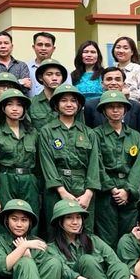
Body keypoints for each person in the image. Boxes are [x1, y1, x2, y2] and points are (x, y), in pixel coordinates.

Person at [38, 83, 101, 235]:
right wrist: (61, 191)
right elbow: (47, 163)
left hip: (83, 187)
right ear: (56, 105)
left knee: (84, 230)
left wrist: (88, 194)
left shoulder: (89, 133)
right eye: (64, 100)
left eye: (73, 101)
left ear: (78, 105)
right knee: (56, 230)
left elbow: (94, 164)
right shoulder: (47, 131)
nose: (69, 104)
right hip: (56, 187)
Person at [92, 91, 140, 246]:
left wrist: (127, 190)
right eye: (110, 107)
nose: (115, 110)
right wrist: (112, 189)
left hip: (129, 192)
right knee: (106, 236)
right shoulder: (96, 134)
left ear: (125, 110)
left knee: (128, 236)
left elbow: (138, 166)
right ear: (104, 110)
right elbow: (97, 163)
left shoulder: (134, 136)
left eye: (119, 107)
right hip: (106, 192)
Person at [0, 89, 41, 219]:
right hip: (5, 180)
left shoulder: (33, 133)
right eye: (10, 104)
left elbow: (39, 164)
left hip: (29, 181)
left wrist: (38, 188)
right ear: (3, 108)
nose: (15, 109)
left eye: (19, 105)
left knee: (31, 219)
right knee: (5, 219)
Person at [83, 67, 140, 140]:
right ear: (102, 84)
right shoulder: (90, 106)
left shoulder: (137, 107)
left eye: (118, 79)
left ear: (124, 84)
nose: (113, 83)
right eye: (109, 79)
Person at [112, 36, 140, 106]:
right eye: (118, 47)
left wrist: (129, 94)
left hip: (134, 109)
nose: (121, 51)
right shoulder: (110, 70)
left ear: (132, 52)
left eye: (125, 48)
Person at [29, 59, 68, 129]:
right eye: (49, 74)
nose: (54, 78)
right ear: (40, 77)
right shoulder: (31, 104)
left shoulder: (71, 103)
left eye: (58, 75)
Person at [27, 32, 56, 97]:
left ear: (53, 49)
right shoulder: (25, 68)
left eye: (47, 45)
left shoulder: (62, 70)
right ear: (34, 47)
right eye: (40, 45)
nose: (43, 48)